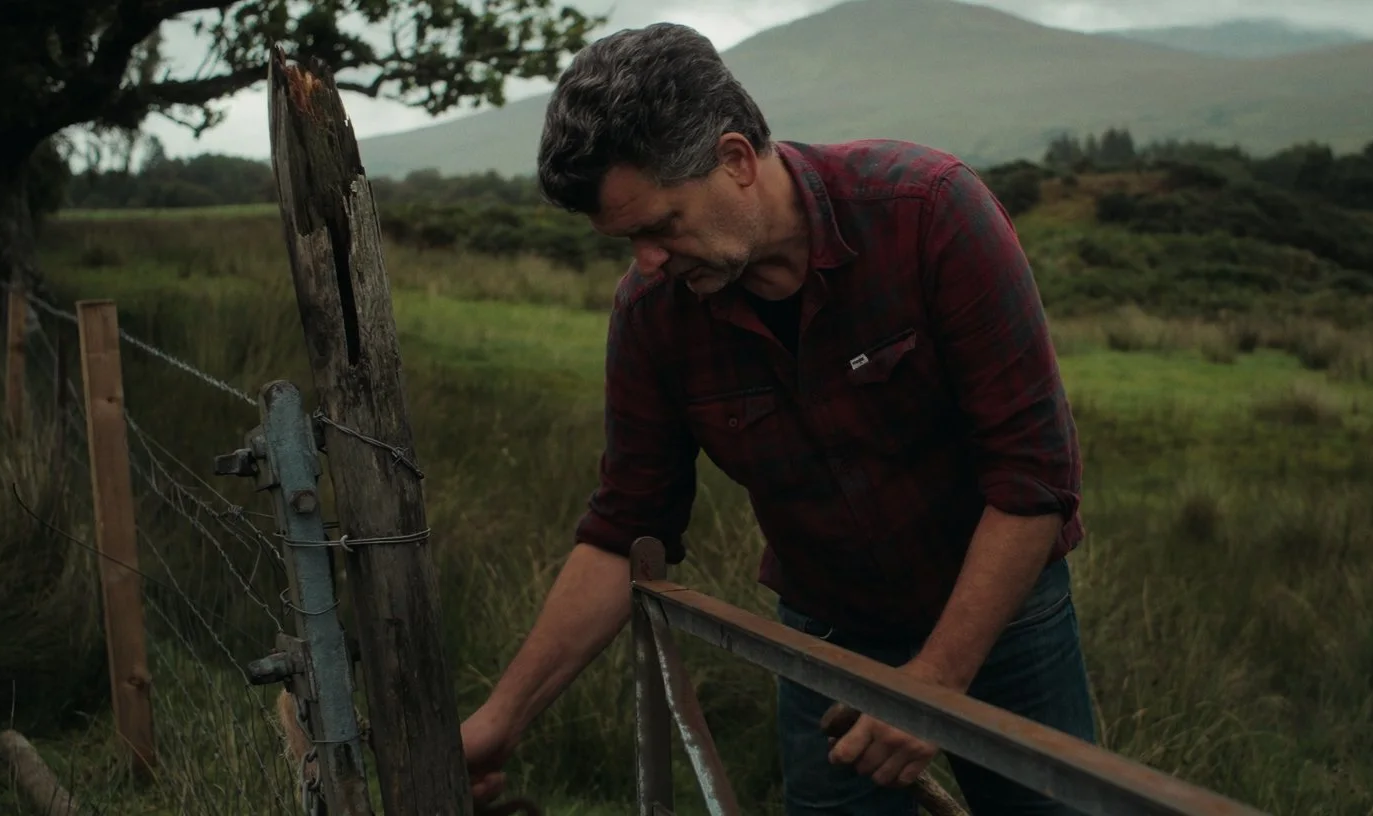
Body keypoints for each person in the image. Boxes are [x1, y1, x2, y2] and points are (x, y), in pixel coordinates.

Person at [457, 21, 1099, 816]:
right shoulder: (654, 315)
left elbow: (1033, 478)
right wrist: (499, 722)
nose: (647, 261)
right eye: (626, 241)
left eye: (660, 226)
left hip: (1006, 625)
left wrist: (932, 687)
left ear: (734, 161)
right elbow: (626, 528)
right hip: (824, 640)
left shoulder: (929, 213)